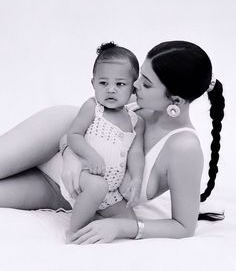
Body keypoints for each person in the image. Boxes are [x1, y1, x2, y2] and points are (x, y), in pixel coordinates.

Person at [0, 40, 225, 244]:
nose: (134, 86)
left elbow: (184, 227)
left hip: (62, 192)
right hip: (53, 139)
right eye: (138, 78)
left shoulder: (183, 147)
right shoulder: (135, 99)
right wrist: (69, 155)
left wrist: (119, 226)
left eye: (146, 84)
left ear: (175, 100)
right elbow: (82, 127)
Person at [59, 42, 145, 235]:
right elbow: (73, 135)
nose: (111, 89)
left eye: (120, 84)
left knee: (129, 221)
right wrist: (91, 156)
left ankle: (89, 217)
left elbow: (136, 153)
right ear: (93, 83)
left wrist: (137, 178)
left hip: (111, 191)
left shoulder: (135, 121)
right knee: (98, 186)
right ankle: (74, 232)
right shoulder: (93, 108)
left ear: (133, 88)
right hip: (85, 178)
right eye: (103, 83)